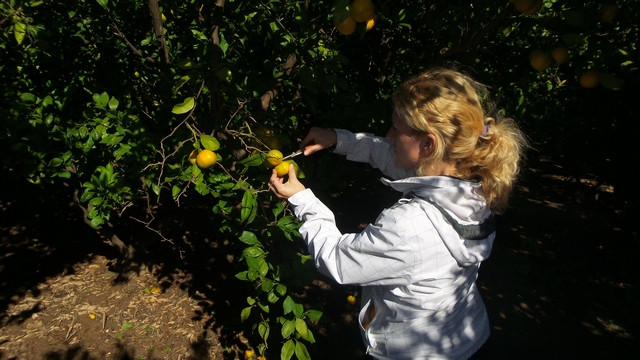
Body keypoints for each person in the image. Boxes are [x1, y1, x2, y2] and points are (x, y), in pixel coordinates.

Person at [268, 68, 528, 359]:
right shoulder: (473, 183)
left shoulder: (410, 226)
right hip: (467, 335)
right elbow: (393, 155)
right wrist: (337, 139)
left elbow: (339, 261)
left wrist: (302, 199)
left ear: (429, 144)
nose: (389, 135)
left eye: (396, 129)